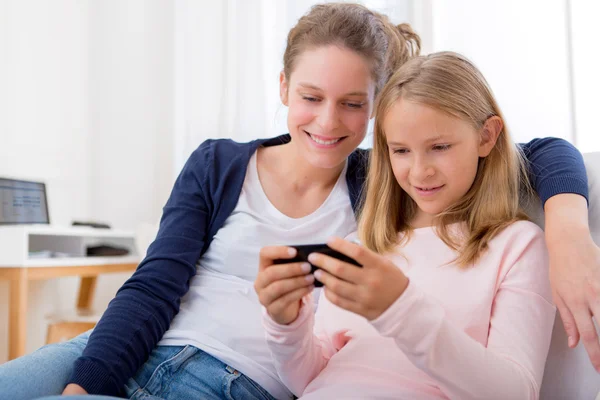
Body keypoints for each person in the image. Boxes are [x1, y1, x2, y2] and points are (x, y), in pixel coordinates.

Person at [0, 3, 592, 400]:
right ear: (283, 87)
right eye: (310, 96)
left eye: (354, 104)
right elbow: (154, 285)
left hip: (233, 376)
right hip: (139, 343)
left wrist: (567, 224)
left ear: (377, 110)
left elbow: (530, 147)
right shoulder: (219, 162)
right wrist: (90, 383)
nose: (328, 123)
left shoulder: (380, 187)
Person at [257, 51, 557, 400]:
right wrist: (286, 323)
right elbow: (310, 378)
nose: (419, 171)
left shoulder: (516, 246)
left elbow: (515, 393)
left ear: (486, 136)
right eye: (401, 151)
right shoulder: (361, 246)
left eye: (439, 147)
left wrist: (400, 309)